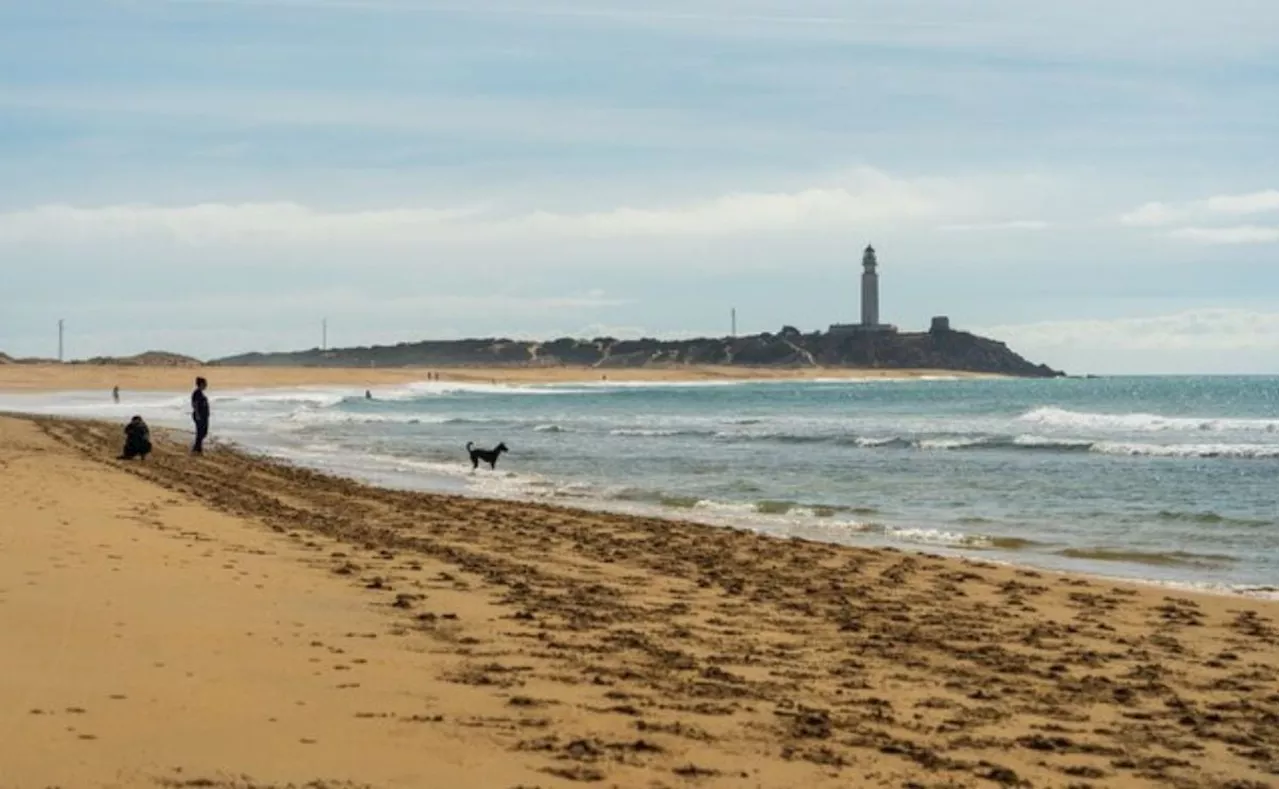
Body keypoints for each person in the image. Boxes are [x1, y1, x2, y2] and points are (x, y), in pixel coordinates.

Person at [191, 376, 210, 454]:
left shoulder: (200, 393)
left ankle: (197, 447)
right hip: (199, 416)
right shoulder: (197, 393)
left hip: (204, 416)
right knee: (200, 432)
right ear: (201, 384)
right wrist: (198, 414)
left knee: (203, 432)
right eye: (205, 383)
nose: (206, 385)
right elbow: (194, 404)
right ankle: (197, 449)